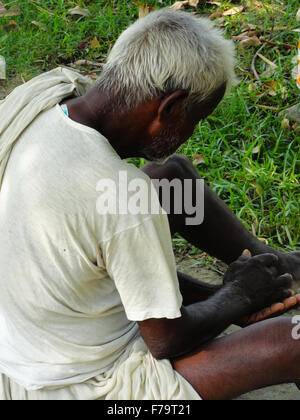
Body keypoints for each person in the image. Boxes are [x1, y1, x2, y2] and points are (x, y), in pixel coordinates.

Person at [0, 8, 299, 401]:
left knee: (172, 179)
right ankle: (264, 291)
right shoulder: (124, 197)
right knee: (293, 340)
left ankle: (278, 269)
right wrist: (235, 298)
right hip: (78, 386)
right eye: (197, 119)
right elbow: (165, 340)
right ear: (170, 108)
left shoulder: (45, 94)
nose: (192, 133)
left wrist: (226, 296)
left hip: (32, 330)